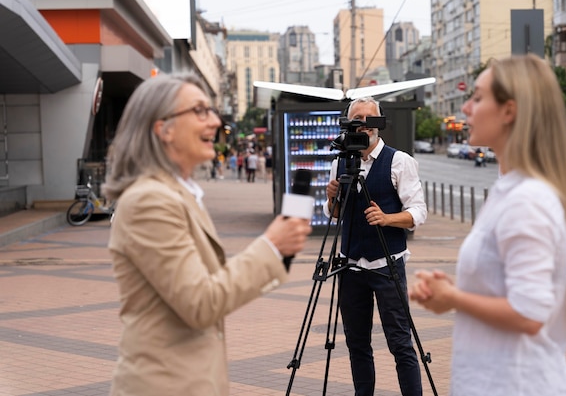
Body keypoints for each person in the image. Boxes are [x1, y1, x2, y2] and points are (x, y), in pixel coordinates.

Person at [103, 73, 312, 396]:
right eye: (200, 110)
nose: (215, 121)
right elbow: (200, 302)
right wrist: (271, 246)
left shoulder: (181, 194)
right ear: (164, 128)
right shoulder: (149, 201)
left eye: (212, 110)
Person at [409, 54, 566, 396]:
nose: (465, 108)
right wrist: (453, 292)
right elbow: (508, 290)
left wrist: (455, 297)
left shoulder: (528, 199)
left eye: (477, 97)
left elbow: (529, 313)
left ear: (509, 111)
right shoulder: (511, 189)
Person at [323, 97, 427, 396]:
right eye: (357, 118)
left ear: (380, 124)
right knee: (356, 343)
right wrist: (332, 198)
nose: (363, 124)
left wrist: (387, 218)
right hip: (350, 264)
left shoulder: (399, 161)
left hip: (387, 264)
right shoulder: (339, 162)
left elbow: (418, 213)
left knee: (400, 342)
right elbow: (336, 214)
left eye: (370, 119)